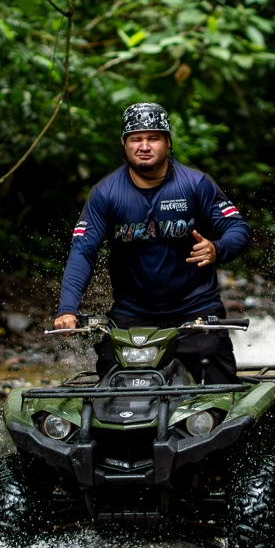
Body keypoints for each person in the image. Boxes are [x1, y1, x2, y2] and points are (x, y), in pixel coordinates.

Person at [54, 102, 251, 384]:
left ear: (168, 142)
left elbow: (238, 228)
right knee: (112, 379)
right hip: (132, 314)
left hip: (195, 310)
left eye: (153, 138)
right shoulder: (105, 193)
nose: (144, 146)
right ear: (124, 144)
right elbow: (83, 250)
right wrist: (68, 309)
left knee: (217, 379)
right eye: (136, 138)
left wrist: (217, 249)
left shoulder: (196, 184)